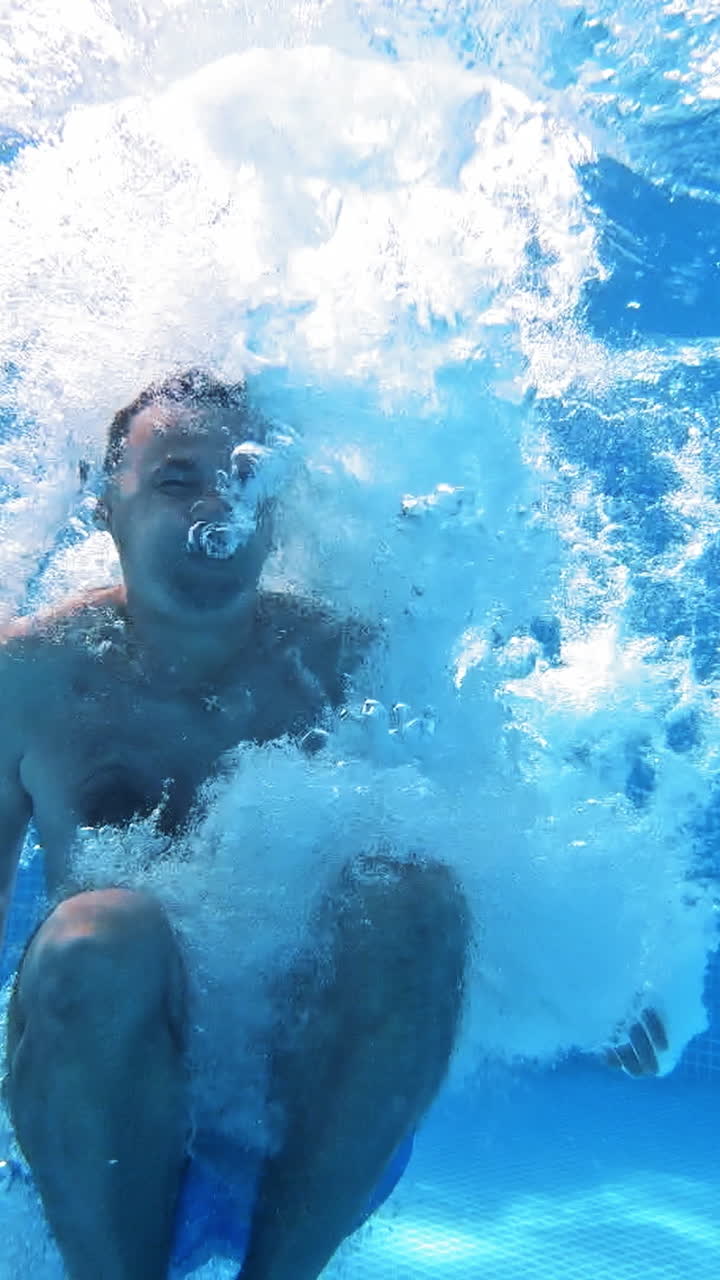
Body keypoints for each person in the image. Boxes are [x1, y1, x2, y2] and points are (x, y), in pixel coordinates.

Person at [0, 369, 470, 1280]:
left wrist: (601, 995)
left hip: (307, 1121)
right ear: (107, 506)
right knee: (104, 931)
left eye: (245, 479)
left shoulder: (348, 662)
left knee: (413, 894)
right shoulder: (30, 680)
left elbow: (485, 851)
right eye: (177, 479)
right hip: (98, 1115)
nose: (218, 505)